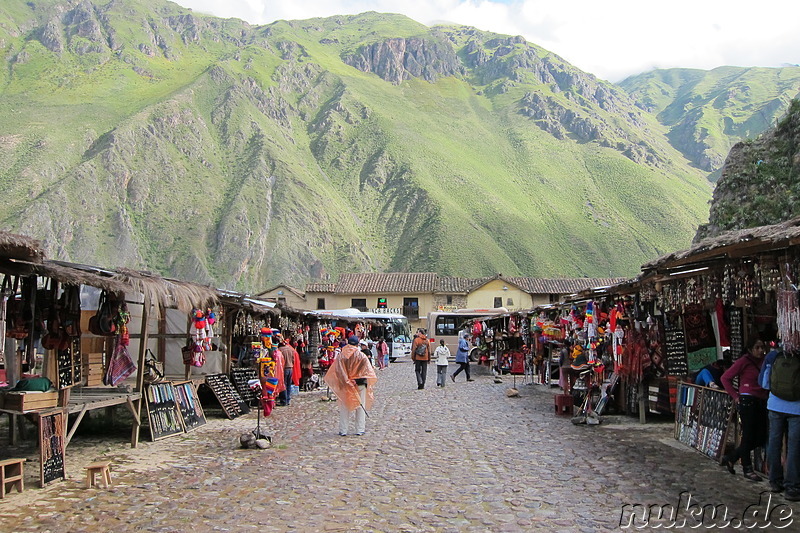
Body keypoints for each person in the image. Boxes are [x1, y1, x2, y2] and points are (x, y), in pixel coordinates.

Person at [720, 338, 768, 481]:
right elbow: (725, 378)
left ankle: (732, 457)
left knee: (760, 437)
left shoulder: (765, 361)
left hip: (761, 400)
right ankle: (747, 468)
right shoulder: (744, 361)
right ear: (750, 349)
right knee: (748, 435)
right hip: (747, 400)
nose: (760, 350)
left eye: (762, 347)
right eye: (757, 347)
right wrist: (736, 396)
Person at [759, 345, 800, 500]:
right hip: (797, 408)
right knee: (794, 447)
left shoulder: (773, 356)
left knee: (774, 442)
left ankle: (775, 481)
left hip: (775, 406)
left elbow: (763, 383)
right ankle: (793, 487)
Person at [325, 335, 377, 436]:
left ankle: (343, 430)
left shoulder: (341, 356)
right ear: (358, 344)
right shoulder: (361, 356)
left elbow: (338, 371)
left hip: (345, 385)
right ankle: (360, 429)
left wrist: (346, 380)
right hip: (360, 384)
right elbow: (367, 371)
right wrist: (356, 380)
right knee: (360, 407)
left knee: (344, 407)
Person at [277, 335, 299, 406]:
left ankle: (284, 400)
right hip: (290, 368)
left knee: (283, 384)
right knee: (288, 384)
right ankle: (288, 399)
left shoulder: (280, 350)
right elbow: (293, 359)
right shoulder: (291, 349)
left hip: (284, 368)